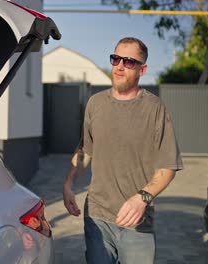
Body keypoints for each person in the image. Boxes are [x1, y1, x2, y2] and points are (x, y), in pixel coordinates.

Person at [62, 37, 183, 264]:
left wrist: (142, 199)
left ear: (142, 69)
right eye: (116, 58)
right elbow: (86, 150)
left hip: (137, 222)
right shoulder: (95, 103)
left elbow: (168, 166)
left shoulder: (154, 108)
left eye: (128, 61)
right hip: (96, 217)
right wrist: (68, 183)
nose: (119, 66)